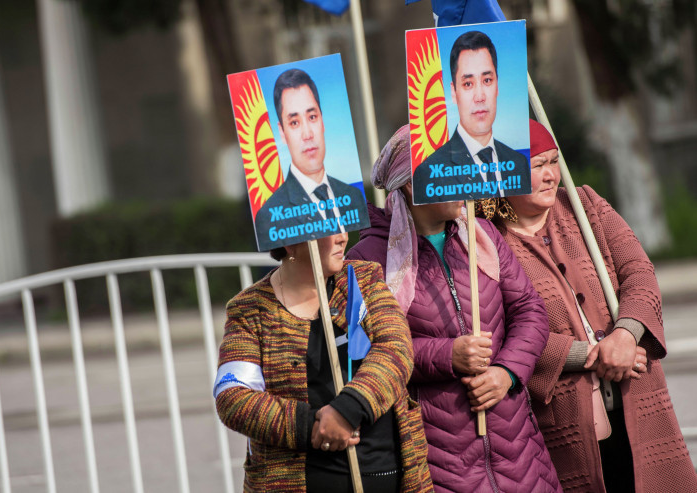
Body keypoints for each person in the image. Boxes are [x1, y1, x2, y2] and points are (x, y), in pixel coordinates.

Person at [480, 118, 697, 492]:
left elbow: (639, 273)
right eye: (537, 166)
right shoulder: (486, 238)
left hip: (637, 392)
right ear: (505, 174)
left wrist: (625, 336)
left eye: (554, 162)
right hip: (566, 417)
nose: (551, 175)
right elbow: (504, 330)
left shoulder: (584, 204)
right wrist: (593, 355)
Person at [347, 125, 562, 492]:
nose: (465, 178)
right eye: (450, 168)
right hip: (438, 460)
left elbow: (529, 310)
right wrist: (448, 355)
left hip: (519, 451)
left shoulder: (483, 235)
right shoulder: (366, 259)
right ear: (412, 184)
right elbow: (364, 351)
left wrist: (507, 373)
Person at [214, 232, 433, 492]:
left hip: (389, 475)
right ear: (291, 241)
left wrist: (348, 409)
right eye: (330, 229)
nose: (343, 237)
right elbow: (233, 397)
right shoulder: (249, 309)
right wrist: (312, 425)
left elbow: (396, 349)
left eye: (342, 225)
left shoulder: (363, 279)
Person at [254, 69, 367, 250]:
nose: (307, 134)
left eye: (312, 117)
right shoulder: (270, 215)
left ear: (322, 121)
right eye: (294, 123)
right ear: (282, 132)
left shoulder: (353, 197)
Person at [412, 30, 529, 203]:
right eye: (468, 84)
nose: (480, 96)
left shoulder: (519, 163)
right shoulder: (430, 172)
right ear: (453, 92)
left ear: (497, 85)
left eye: (487, 80)